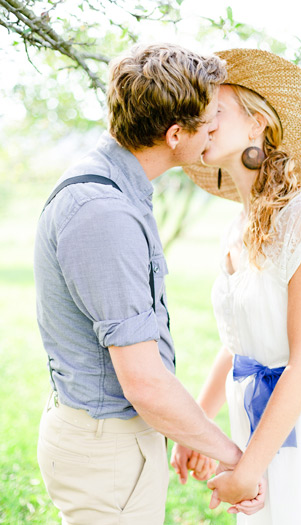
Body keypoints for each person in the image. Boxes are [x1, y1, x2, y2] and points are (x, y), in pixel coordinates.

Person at [34, 43, 262, 524]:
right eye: (207, 121)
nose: (214, 130)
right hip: (105, 452)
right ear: (175, 133)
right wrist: (234, 457)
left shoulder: (116, 186)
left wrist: (182, 429)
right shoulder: (104, 213)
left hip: (113, 442)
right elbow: (143, 380)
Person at [174, 48, 301, 524]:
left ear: (257, 124)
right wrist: (197, 427)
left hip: (300, 419)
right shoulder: (235, 226)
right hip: (247, 414)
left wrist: (248, 470)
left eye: (216, 110)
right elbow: (235, 343)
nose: (202, 122)